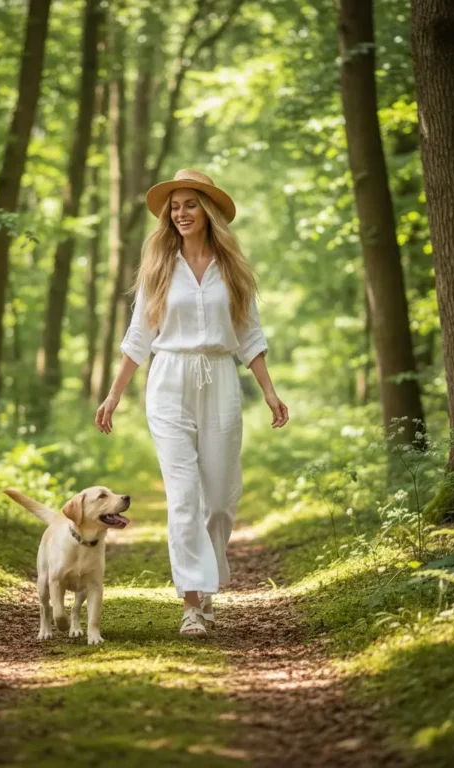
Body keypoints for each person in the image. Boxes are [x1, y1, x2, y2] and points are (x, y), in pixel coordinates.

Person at [95, 169, 289, 636]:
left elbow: (249, 334)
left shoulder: (233, 270)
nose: (181, 214)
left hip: (220, 378)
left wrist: (268, 390)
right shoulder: (159, 267)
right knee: (184, 497)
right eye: (174, 207)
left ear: (209, 211)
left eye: (190, 205)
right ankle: (190, 603)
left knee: (220, 499)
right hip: (168, 380)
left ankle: (208, 584)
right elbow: (139, 336)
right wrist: (114, 394)